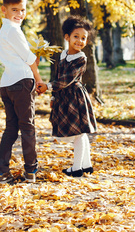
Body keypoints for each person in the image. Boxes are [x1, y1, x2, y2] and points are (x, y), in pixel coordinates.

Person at [37, 16, 97, 178]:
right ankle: (86, 165)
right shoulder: (63, 55)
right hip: (63, 98)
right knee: (79, 134)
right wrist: (53, 97)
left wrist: (48, 86)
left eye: (83, 38)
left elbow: (67, 79)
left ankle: (77, 168)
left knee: (78, 133)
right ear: (67, 37)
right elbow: (58, 74)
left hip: (75, 98)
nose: (79, 41)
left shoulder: (81, 58)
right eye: (76, 36)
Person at [0, 0, 43, 184]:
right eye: (14, 10)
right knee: (28, 127)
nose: (19, 14)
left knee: (11, 129)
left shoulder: (4, 30)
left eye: (22, 10)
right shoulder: (13, 30)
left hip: (7, 84)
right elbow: (29, 58)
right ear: (3, 10)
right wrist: (38, 79)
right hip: (21, 83)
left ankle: (2, 171)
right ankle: (31, 171)